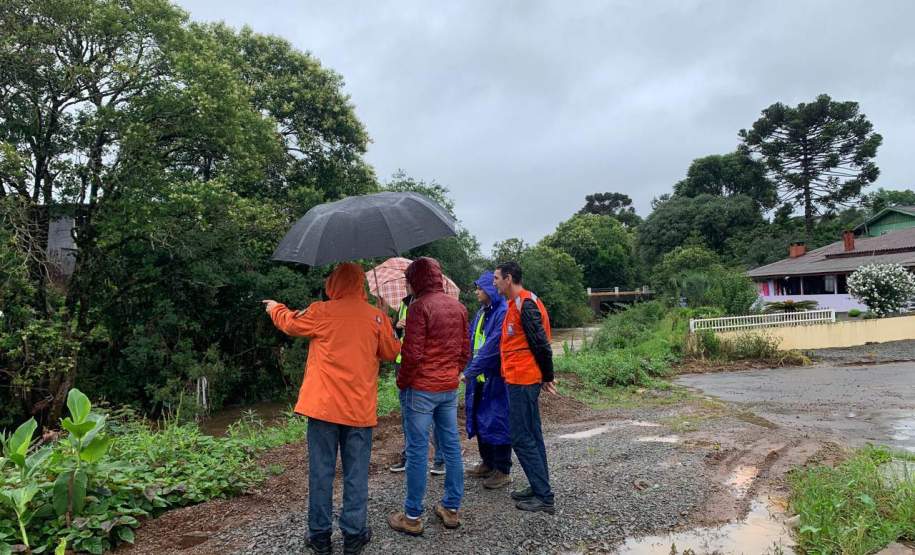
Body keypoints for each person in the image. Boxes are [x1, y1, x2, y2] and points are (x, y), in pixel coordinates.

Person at [263, 262, 400, 555]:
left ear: (334, 284)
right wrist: (384, 320)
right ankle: (353, 536)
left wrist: (275, 307)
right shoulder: (375, 317)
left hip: (323, 410)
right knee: (356, 474)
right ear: (360, 284)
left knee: (321, 473)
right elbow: (391, 353)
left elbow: (289, 323)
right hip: (359, 412)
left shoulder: (321, 311)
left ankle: (320, 536)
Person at [387, 257, 469, 535]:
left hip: (421, 390)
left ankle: (412, 516)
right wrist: (452, 372)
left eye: (409, 279)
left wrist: (403, 381)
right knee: (451, 447)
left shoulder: (419, 307)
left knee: (417, 450)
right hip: (448, 388)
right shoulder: (459, 307)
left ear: (417, 279)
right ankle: (451, 509)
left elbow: (411, 354)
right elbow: (465, 352)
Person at [493, 261, 558, 514]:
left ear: (509, 279)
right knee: (533, 434)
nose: (494, 282)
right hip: (520, 378)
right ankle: (538, 486)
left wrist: (547, 376)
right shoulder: (515, 304)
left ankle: (544, 496)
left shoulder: (525, 304)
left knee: (521, 437)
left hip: (524, 380)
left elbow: (541, 344)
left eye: (497, 278)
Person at [463, 271, 512, 489]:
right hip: (480, 376)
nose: (476, 292)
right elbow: (471, 339)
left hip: (495, 377)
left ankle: (502, 469)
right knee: (480, 418)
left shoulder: (501, 312)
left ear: (489, 290)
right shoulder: (482, 312)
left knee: (498, 421)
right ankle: (487, 462)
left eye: (479, 288)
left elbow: (492, 347)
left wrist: (470, 371)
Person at [388, 290, 445, 475]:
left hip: (423, 365)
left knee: (434, 414)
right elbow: (396, 336)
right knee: (407, 415)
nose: (407, 284)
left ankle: (440, 459)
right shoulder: (404, 303)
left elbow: (435, 335)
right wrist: (397, 326)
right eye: (405, 280)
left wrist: (412, 326)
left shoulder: (431, 302)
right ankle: (408, 457)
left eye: (409, 280)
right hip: (403, 362)